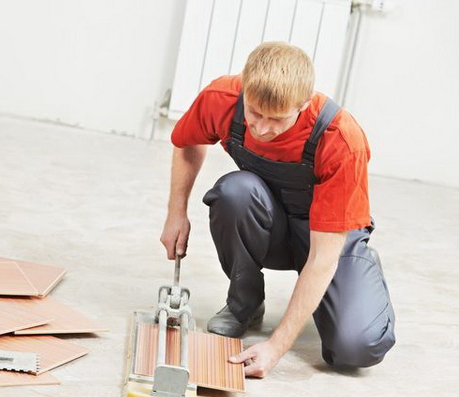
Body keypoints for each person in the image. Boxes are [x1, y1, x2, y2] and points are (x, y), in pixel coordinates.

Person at [160, 42, 396, 378]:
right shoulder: (223, 98)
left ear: (303, 105)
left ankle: (357, 267)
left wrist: (276, 346)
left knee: (356, 348)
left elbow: (322, 258)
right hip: (270, 224)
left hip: (326, 241)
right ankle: (245, 305)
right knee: (235, 192)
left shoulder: (340, 139)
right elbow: (187, 142)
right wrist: (176, 212)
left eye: (278, 119)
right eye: (254, 112)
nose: (261, 128)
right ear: (244, 90)